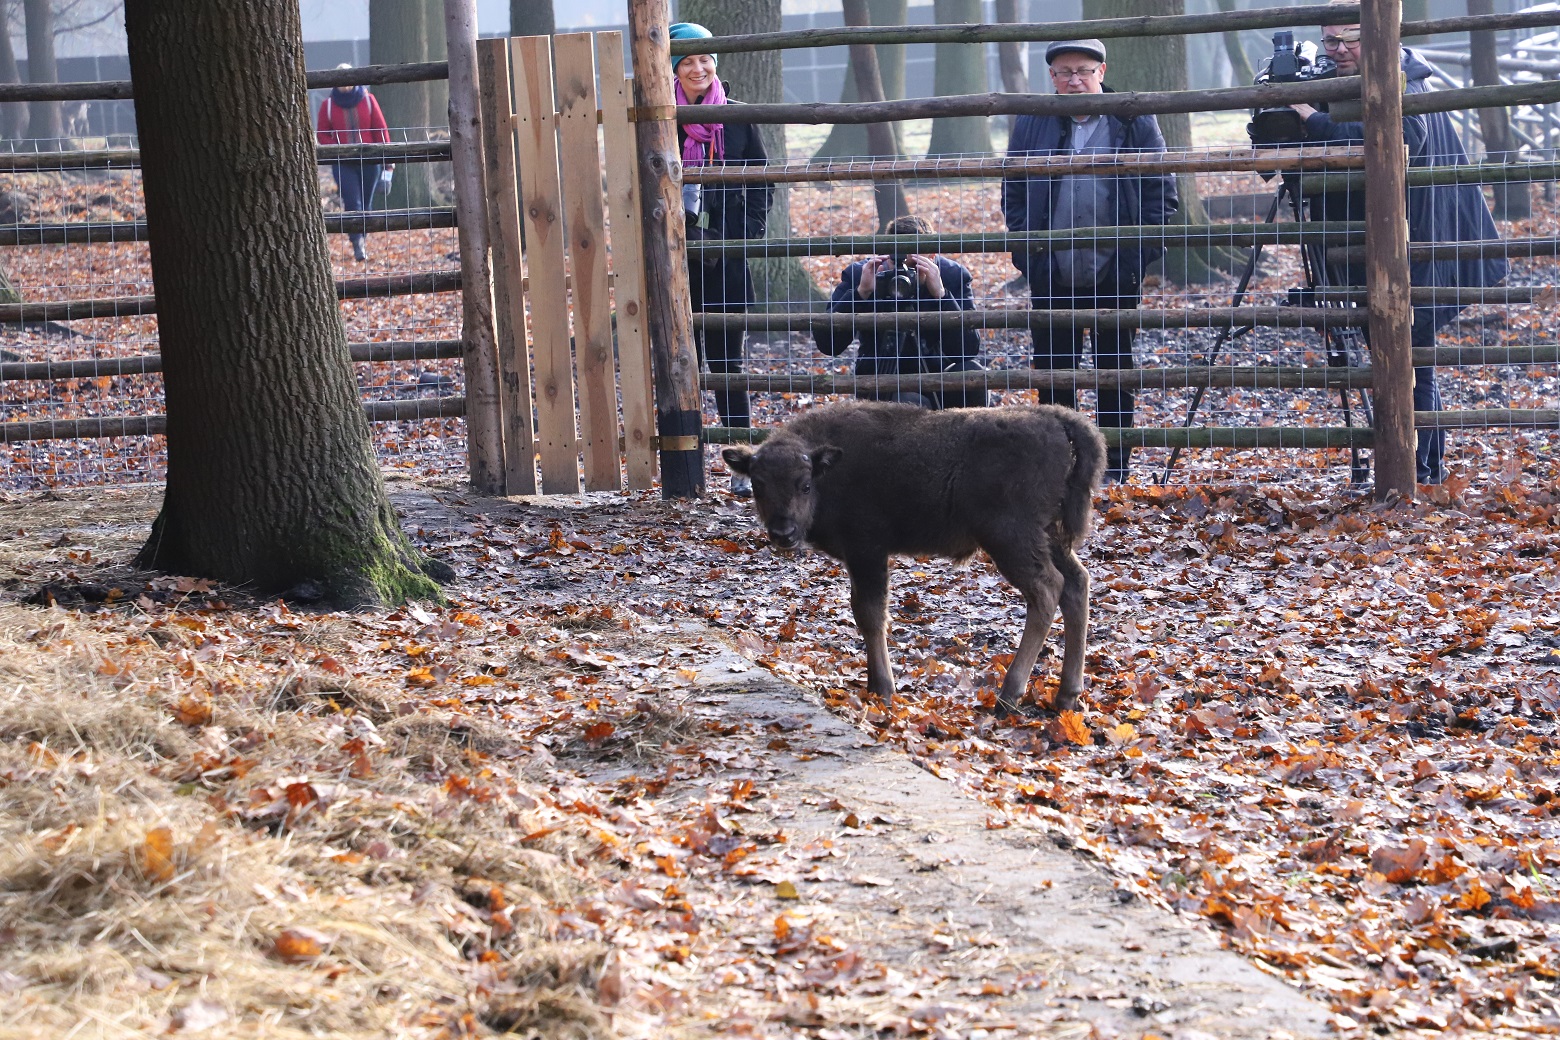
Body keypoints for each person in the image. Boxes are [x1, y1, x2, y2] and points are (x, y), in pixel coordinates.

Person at [1291, 8, 1507, 485]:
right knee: (1406, 362)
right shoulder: (1383, 71)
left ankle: (1419, 473)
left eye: (1352, 38)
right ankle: (1418, 470)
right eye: (1331, 42)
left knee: (1410, 364)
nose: (1340, 50)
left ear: (1379, 35)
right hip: (1417, 246)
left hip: (1425, 248)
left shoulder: (1401, 78)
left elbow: (1396, 138)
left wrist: (1316, 123)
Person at [1001, 39, 1178, 485]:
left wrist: (1139, 252)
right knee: (1055, 369)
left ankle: (1114, 467)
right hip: (1051, 268)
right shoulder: (1033, 122)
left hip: (1115, 268)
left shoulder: (1132, 119)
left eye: (1082, 69)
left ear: (1102, 70)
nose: (1073, 79)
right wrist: (1028, 248)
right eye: (1063, 72)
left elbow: (1162, 192)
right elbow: (1014, 191)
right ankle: (1057, 470)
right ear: (1052, 78)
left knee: (1114, 366)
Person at [671, 22, 773, 498]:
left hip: (727, 259)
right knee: (678, 361)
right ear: (673, 68)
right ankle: (682, 466)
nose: (697, 68)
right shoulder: (660, 116)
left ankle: (741, 466)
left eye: (704, 59)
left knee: (729, 363)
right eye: (686, 61)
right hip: (674, 262)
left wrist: (742, 235)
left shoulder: (735, 117)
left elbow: (762, 180)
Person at [813, 214, 988, 410]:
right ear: (884, 254)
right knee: (912, 402)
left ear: (931, 257)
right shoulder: (863, 275)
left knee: (973, 373)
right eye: (896, 262)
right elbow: (827, 344)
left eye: (913, 264)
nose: (904, 273)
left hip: (938, 375)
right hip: (882, 379)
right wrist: (860, 294)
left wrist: (941, 295)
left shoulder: (952, 276)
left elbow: (967, 350)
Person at [316, 65, 393, 262]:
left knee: (366, 205)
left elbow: (380, 129)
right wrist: (339, 149)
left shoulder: (368, 100)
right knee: (352, 203)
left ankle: (362, 238)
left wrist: (388, 161)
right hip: (343, 163)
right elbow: (323, 134)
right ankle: (357, 242)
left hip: (369, 160)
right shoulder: (328, 105)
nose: (345, 84)